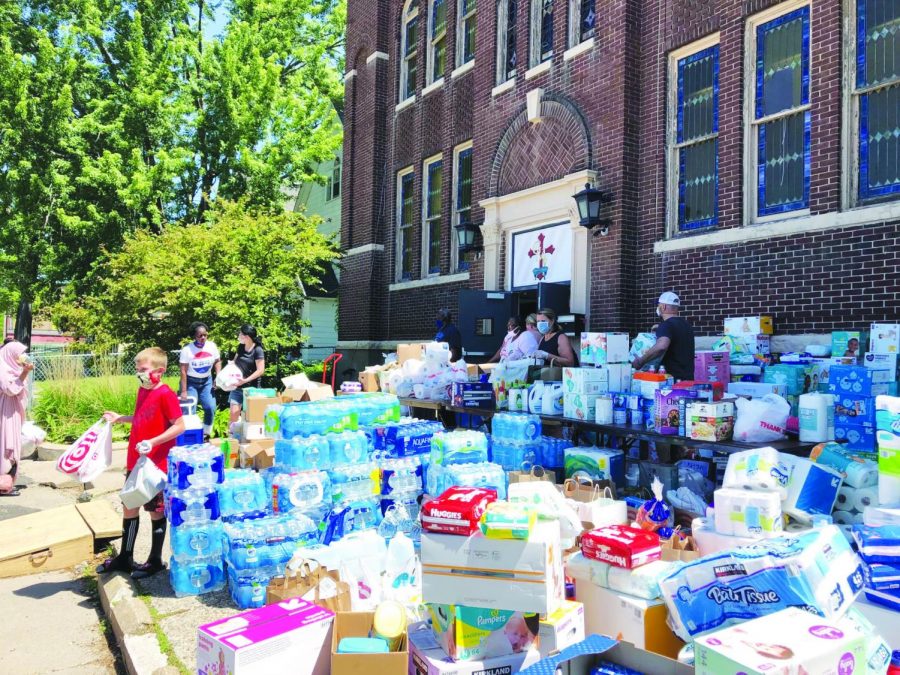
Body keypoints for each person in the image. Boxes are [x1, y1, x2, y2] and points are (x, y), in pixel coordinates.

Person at [99, 347, 185, 578]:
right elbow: (140, 418)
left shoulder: (165, 393)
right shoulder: (142, 390)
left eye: (144, 370)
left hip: (156, 465)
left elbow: (179, 425)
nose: (140, 374)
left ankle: (155, 559)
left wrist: (153, 441)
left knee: (155, 511)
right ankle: (125, 557)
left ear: (160, 370)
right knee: (129, 506)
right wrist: (121, 419)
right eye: (137, 370)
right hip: (135, 461)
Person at [631, 291, 695, 381]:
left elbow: (661, 346)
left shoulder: (666, 325)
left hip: (671, 381)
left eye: (659, 305)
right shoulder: (686, 325)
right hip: (687, 379)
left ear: (663, 307)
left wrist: (641, 361)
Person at [0, 342, 33, 496]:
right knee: (7, 445)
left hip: (12, 412)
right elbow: (11, 390)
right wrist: (25, 372)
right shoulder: (2, 369)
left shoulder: (10, 368)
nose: (21, 356)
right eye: (19, 353)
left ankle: (7, 483)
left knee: (11, 444)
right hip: (6, 413)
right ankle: (3, 485)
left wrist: (22, 372)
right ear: (10, 353)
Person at [179, 322, 221, 440]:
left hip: (206, 382)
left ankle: (206, 434)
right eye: (200, 336)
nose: (203, 338)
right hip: (191, 382)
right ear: (194, 336)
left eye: (205, 335)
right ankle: (189, 436)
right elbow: (183, 370)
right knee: (189, 410)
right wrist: (184, 391)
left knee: (210, 407)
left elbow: (217, 361)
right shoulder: (187, 350)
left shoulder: (211, 346)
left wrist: (218, 377)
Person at [229, 325, 265, 424]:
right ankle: (231, 438)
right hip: (237, 387)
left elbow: (260, 370)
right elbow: (234, 362)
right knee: (233, 414)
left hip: (252, 389)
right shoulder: (240, 347)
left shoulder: (257, 350)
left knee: (250, 418)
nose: (239, 336)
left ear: (247, 336)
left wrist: (245, 380)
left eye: (240, 334)